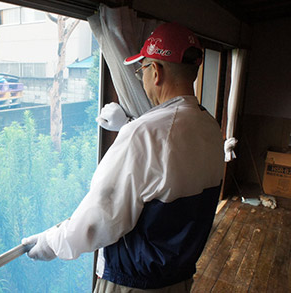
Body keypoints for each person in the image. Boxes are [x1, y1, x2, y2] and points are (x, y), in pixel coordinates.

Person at [22, 22, 224, 292]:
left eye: (142, 70)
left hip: (134, 284)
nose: (142, 78)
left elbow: (99, 218)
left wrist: (51, 242)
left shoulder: (143, 134)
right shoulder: (210, 127)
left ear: (156, 71)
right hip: (179, 280)